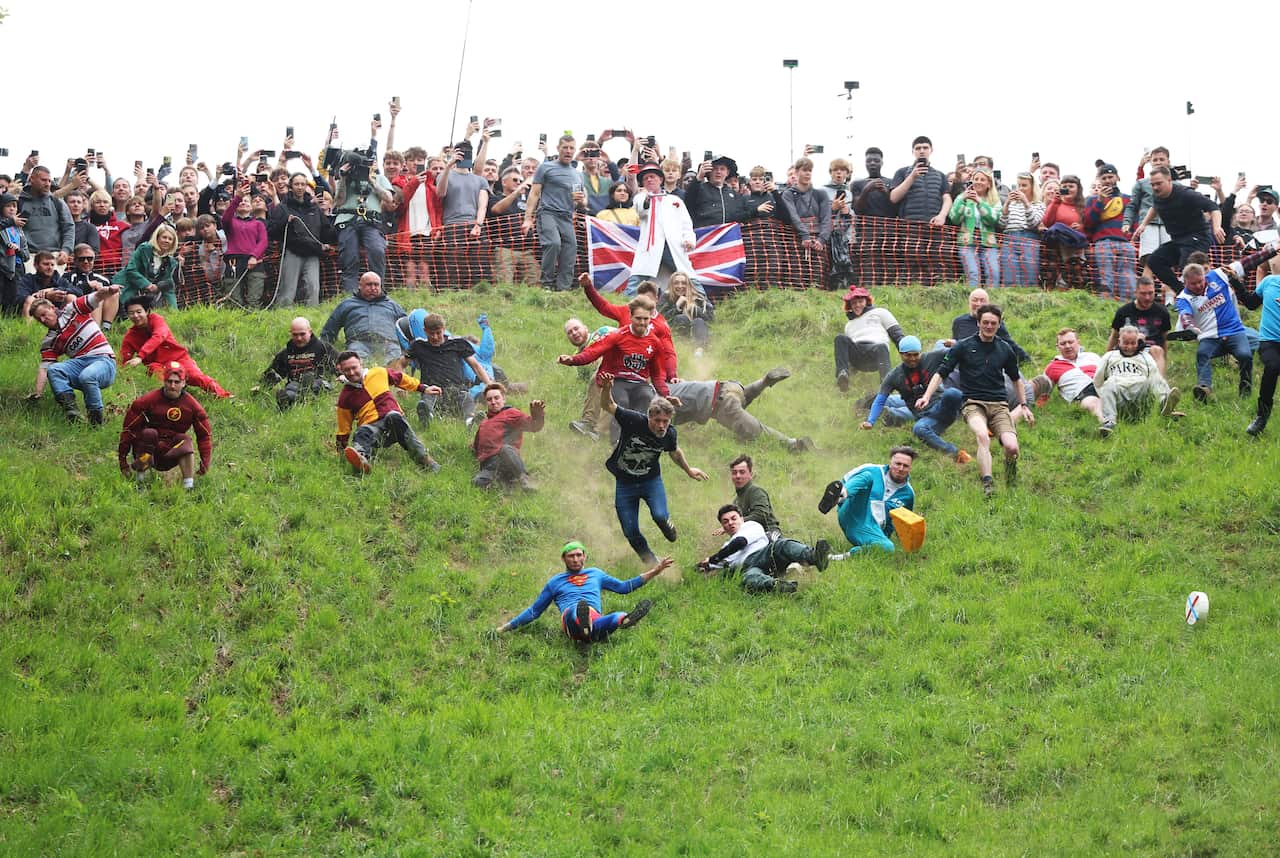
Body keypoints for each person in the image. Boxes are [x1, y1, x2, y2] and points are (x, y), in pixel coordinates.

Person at [917, 304, 1033, 498]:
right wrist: (926, 396)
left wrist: (1023, 405)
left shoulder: (1005, 349)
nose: (989, 326)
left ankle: (1011, 478)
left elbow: (1016, 380)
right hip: (973, 403)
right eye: (985, 322)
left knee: (1012, 447)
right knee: (982, 436)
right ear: (978, 323)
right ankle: (987, 483)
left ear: (998, 325)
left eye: (993, 323)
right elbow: (940, 373)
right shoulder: (963, 346)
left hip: (999, 405)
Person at [597, 375, 708, 564]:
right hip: (625, 484)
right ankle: (651, 561)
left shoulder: (669, 433)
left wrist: (689, 470)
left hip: (651, 482)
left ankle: (667, 525)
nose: (661, 425)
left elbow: (674, 452)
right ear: (649, 416)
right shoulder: (633, 420)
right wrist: (607, 388)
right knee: (630, 530)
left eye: (665, 421)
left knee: (659, 516)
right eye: (657, 420)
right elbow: (607, 406)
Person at [495, 541, 667, 643]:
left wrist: (655, 571)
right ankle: (583, 624)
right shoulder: (555, 582)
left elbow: (622, 587)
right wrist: (507, 627)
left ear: (585, 556)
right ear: (563, 558)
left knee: (617, 616)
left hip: (594, 620)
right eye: (571, 556)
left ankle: (625, 620)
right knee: (574, 612)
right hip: (570, 621)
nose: (576, 559)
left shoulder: (596, 574)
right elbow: (534, 611)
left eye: (579, 555)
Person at [558, 298, 676, 421]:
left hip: (640, 383)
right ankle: (604, 431)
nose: (642, 323)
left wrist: (666, 394)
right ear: (631, 317)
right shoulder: (618, 336)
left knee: (646, 397)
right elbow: (593, 352)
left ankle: (639, 436)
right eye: (638, 319)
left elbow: (658, 373)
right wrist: (572, 360)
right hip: (618, 380)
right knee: (620, 400)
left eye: (645, 319)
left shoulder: (654, 342)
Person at [1176, 253, 1273, 401]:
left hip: (1235, 331)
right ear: (1185, 283)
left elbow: (1247, 262)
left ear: (1205, 276)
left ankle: (1245, 391)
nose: (1198, 286)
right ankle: (1204, 389)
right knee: (1202, 354)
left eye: (1201, 281)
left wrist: (1271, 250)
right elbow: (1185, 315)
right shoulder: (1183, 298)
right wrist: (1190, 327)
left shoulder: (1219, 274)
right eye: (1193, 284)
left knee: (1245, 356)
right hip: (1210, 336)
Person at [861, 336, 971, 463]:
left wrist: (955, 343)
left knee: (953, 393)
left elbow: (961, 349)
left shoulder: (931, 358)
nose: (912, 359)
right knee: (918, 429)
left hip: (942, 406)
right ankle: (956, 454)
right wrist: (871, 421)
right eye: (908, 355)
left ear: (920, 352)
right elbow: (880, 399)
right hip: (926, 417)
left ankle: (969, 415)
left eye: (915, 355)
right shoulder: (894, 376)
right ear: (900, 354)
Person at [334, 350, 440, 474]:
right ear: (340, 370)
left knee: (393, 416)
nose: (351, 373)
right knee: (362, 431)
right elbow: (344, 427)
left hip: (395, 423)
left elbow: (401, 379)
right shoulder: (345, 397)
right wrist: (340, 451)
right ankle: (361, 462)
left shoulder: (379, 372)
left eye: (354, 368)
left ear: (361, 363)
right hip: (373, 431)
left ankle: (425, 460)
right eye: (347, 370)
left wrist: (423, 388)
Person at [29, 283, 121, 424]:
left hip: (104, 361)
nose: (43, 320)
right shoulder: (49, 341)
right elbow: (45, 368)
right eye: (38, 319)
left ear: (53, 308)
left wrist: (109, 290)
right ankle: (73, 413)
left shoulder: (72, 310)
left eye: (43, 314)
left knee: (87, 375)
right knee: (55, 370)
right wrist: (37, 393)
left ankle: (96, 421)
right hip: (81, 364)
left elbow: (95, 297)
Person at [667, 367, 813, 452]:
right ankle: (763, 383)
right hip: (728, 387)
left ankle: (794, 444)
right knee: (741, 399)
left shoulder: (653, 402)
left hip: (721, 403)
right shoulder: (665, 385)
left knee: (757, 431)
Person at [117, 361, 213, 490]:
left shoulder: (193, 407)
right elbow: (129, 430)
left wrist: (205, 463)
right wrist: (122, 461)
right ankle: (140, 481)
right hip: (148, 451)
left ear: (184, 383)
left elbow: (204, 436)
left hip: (172, 453)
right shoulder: (146, 401)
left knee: (185, 440)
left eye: (177, 382)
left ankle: (188, 487)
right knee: (149, 433)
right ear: (164, 381)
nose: (172, 386)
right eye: (169, 381)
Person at [696, 504, 830, 594]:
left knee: (783, 545)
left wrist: (713, 558)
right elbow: (708, 568)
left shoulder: (750, 526)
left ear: (741, 518)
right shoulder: (725, 547)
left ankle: (814, 557)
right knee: (749, 579)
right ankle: (782, 586)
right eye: (725, 521)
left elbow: (740, 542)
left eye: (733, 518)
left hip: (766, 554)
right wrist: (698, 568)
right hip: (747, 568)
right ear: (722, 526)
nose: (730, 523)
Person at [1135, 166, 1223, 295]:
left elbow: (1213, 207)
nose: (1155, 187)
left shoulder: (1186, 194)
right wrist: (1143, 224)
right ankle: (1183, 293)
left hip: (1198, 237)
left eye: (1159, 183)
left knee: (1187, 266)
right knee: (1155, 261)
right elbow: (1155, 207)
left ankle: (1211, 294)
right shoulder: (1157, 195)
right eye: (1152, 184)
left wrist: (1217, 227)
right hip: (1178, 240)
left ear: (1169, 180)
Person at [119, 296, 231, 397]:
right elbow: (123, 359)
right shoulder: (130, 336)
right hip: (158, 365)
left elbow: (159, 336)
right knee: (155, 372)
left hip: (179, 359)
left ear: (147, 311)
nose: (136, 316)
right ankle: (168, 398)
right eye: (131, 313)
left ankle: (223, 395)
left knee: (196, 377)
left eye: (139, 312)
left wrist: (140, 356)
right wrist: (122, 376)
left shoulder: (157, 320)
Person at [816, 446, 917, 556]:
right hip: (853, 513)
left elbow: (903, 525)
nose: (901, 468)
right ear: (890, 463)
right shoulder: (871, 469)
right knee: (867, 477)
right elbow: (843, 483)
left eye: (905, 466)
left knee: (889, 548)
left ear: (910, 468)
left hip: (870, 530)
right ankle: (837, 498)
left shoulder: (908, 494)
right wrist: (840, 498)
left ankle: (839, 557)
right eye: (898, 464)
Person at [404, 313, 492, 425]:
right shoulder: (418, 346)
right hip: (432, 390)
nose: (435, 337)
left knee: (465, 397)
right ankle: (428, 417)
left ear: (444, 329)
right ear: (424, 330)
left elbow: (475, 366)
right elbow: (401, 364)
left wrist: (489, 384)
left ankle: (470, 421)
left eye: (438, 333)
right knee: (428, 396)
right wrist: (402, 387)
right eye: (431, 333)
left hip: (457, 389)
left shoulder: (458, 343)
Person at [522, 135, 585, 292]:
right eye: (565, 147)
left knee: (571, 248)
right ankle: (546, 284)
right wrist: (527, 219)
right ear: (558, 149)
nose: (568, 151)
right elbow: (534, 193)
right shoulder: (546, 167)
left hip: (566, 215)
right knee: (553, 243)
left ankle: (563, 289)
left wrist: (580, 200)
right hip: (547, 212)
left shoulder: (577, 174)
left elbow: (581, 201)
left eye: (571, 148)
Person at [1094, 326, 1182, 437]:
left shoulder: (1145, 357)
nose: (1129, 347)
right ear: (1119, 341)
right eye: (1125, 343)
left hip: (1140, 398)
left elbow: (1157, 379)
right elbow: (1098, 381)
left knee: (1152, 379)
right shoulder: (1109, 356)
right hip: (1119, 398)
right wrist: (1105, 399)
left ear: (1137, 342)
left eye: (1133, 343)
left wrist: (1166, 393)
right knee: (1108, 384)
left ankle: (1164, 404)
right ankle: (1110, 422)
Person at [266, 173, 334, 307]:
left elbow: (327, 231)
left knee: (313, 288)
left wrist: (338, 233)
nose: (300, 187)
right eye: (297, 184)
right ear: (291, 186)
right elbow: (271, 232)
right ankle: (283, 316)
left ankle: (312, 318)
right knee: (288, 290)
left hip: (313, 252)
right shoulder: (282, 207)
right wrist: (285, 221)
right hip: (292, 252)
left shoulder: (315, 208)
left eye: (303, 184)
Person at [627, 162, 696, 295]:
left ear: (661, 179)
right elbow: (641, 209)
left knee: (687, 276)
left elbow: (686, 224)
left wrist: (689, 239)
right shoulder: (640, 198)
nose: (649, 180)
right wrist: (647, 198)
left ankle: (702, 304)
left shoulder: (674, 200)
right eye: (645, 178)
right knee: (636, 280)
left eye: (652, 176)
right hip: (650, 247)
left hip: (673, 246)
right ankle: (625, 310)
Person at [332, 151, 396, 294]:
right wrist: (343, 179)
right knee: (350, 256)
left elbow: (389, 198)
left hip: (370, 222)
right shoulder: (345, 177)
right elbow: (339, 201)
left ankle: (378, 291)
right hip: (348, 220)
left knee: (377, 250)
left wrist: (370, 180)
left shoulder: (379, 177)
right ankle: (351, 295)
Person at [319, 272, 407, 366]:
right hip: (359, 344)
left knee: (394, 369)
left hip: (389, 344)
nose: (373, 288)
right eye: (369, 284)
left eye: (376, 285)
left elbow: (407, 329)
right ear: (360, 286)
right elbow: (329, 331)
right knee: (356, 366)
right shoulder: (347, 304)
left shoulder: (392, 305)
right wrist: (324, 352)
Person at [471, 382, 544, 489]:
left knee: (505, 449)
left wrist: (537, 414)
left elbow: (534, 426)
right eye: (489, 399)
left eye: (496, 398)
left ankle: (525, 479)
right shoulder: (483, 424)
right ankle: (505, 486)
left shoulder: (511, 413)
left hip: (506, 458)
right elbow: (477, 447)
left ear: (503, 399)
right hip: (489, 466)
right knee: (476, 482)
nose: (493, 402)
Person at [1083, 164, 1137, 300]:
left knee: (1128, 279)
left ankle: (1128, 309)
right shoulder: (1092, 200)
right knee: (1105, 278)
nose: (1107, 180)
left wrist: (1131, 236)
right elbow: (1088, 222)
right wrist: (1100, 201)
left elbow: (1134, 220)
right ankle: (1105, 309)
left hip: (1125, 242)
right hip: (1103, 243)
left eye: (1110, 177)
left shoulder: (1128, 199)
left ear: (1117, 177)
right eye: (1104, 178)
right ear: (1099, 180)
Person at [834, 286, 905, 389]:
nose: (857, 305)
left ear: (867, 301)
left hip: (876, 351)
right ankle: (843, 375)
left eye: (860, 301)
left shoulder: (880, 312)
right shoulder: (849, 325)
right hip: (858, 355)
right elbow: (846, 352)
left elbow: (897, 335)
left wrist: (908, 352)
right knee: (840, 338)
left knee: (881, 346)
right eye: (854, 303)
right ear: (849, 306)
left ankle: (886, 384)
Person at [260, 317, 337, 410]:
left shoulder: (323, 348)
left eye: (302, 334)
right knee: (291, 388)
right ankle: (286, 401)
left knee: (316, 384)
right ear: (290, 334)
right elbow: (274, 373)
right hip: (295, 385)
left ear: (310, 332)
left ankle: (296, 400)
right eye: (295, 335)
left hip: (320, 384)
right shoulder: (286, 353)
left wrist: (342, 376)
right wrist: (261, 388)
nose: (299, 338)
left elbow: (341, 364)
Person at [563, 316, 618, 441]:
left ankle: (595, 429)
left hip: (623, 366)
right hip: (606, 380)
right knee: (601, 383)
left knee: (601, 376)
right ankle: (589, 426)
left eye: (576, 328)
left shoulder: (603, 332)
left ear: (586, 328)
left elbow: (624, 338)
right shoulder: (577, 359)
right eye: (570, 333)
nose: (574, 333)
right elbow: (585, 386)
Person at [945, 288, 1032, 362]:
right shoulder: (958, 322)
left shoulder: (993, 323)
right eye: (975, 300)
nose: (978, 304)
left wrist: (1027, 360)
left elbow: (1009, 344)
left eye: (982, 300)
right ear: (969, 302)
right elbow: (954, 345)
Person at [948, 166, 1001, 287]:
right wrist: (962, 200)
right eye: (976, 178)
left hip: (988, 242)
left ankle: (993, 302)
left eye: (983, 179)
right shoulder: (962, 197)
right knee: (973, 273)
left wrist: (979, 202)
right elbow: (954, 219)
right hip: (967, 241)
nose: (978, 181)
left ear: (989, 184)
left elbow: (993, 220)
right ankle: (974, 301)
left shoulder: (995, 200)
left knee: (993, 272)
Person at [1107, 276, 1171, 375]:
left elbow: (1165, 339)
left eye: (1150, 293)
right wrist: (1107, 357)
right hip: (1128, 349)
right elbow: (1114, 336)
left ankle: (1160, 385)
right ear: (1136, 292)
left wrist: (1164, 359)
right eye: (1143, 293)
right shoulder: (1124, 312)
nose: (1147, 297)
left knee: (1157, 350)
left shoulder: (1162, 312)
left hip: (1152, 351)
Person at [778, 157, 832, 265]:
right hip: (796, 237)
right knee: (798, 275)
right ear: (797, 172)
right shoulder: (788, 194)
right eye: (804, 170)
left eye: (810, 170)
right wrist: (805, 235)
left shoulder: (821, 194)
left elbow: (826, 218)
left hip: (818, 239)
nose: (807, 173)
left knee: (818, 274)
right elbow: (794, 217)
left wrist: (822, 239)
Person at [112, 224, 180, 309]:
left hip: (143, 295)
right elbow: (131, 270)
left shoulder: (171, 261)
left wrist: (175, 312)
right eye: (164, 237)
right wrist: (147, 284)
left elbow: (168, 286)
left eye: (170, 239)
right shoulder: (144, 248)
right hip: (126, 285)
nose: (167, 241)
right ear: (157, 238)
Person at [1043, 328, 1103, 422]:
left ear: (1078, 342)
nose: (1067, 346)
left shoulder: (1092, 356)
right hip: (1083, 392)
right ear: (1057, 346)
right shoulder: (1053, 367)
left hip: (1103, 385)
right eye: (1063, 344)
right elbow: (1043, 393)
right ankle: (1106, 423)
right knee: (1092, 403)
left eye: (1071, 342)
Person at [18, 166, 74, 266]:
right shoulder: (19, 201)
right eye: (43, 180)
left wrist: (66, 250)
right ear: (32, 179)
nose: (47, 184)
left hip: (54, 256)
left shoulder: (57, 201)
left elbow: (69, 227)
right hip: (28, 257)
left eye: (49, 181)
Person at [889, 136, 950, 226]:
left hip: (935, 225)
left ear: (931, 150)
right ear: (913, 151)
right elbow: (893, 198)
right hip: (910, 226)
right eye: (918, 148)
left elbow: (947, 198)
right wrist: (912, 177)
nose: (922, 151)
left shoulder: (940, 175)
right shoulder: (902, 172)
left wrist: (942, 216)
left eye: (925, 148)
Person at [1247, 268, 1280, 435]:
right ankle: (1261, 417)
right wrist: (1235, 282)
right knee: (1273, 366)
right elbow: (1251, 304)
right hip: (1270, 341)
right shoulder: (1269, 282)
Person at [1000, 172, 1044, 286]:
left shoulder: (1039, 205)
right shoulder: (1011, 204)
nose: (1021, 188)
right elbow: (1001, 224)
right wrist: (1006, 205)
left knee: (1029, 277)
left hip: (1029, 238)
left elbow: (1033, 223)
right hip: (1009, 238)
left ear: (1032, 187)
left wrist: (1026, 203)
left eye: (1024, 185)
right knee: (1009, 276)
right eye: (1019, 185)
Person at [656, 272, 713, 355]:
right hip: (673, 334)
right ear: (671, 285)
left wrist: (695, 309)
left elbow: (711, 319)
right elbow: (659, 318)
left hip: (698, 332)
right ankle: (683, 348)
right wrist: (677, 307)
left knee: (699, 321)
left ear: (688, 285)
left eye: (683, 283)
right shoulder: (665, 297)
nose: (680, 286)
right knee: (681, 318)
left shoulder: (698, 297)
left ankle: (699, 351)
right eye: (676, 283)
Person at [724, 454, 780, 537]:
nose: (738, 476)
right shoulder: (736, 501)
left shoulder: (756, 491)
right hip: (751, 538)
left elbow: (761, 515)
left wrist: (737, 521)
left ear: (751, 474)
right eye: (734, 473)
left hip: (769, 533)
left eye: (742, 472)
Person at [684, 154, 746, 228]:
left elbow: (739, 215)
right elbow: (687, 201)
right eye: (715, 169)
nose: (718, 172)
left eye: (722, 169)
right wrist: (699, 177)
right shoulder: (699, 189)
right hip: (704, 236)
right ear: (709, 171)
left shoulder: (734, 194)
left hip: (728, 237)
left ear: (727, 172)